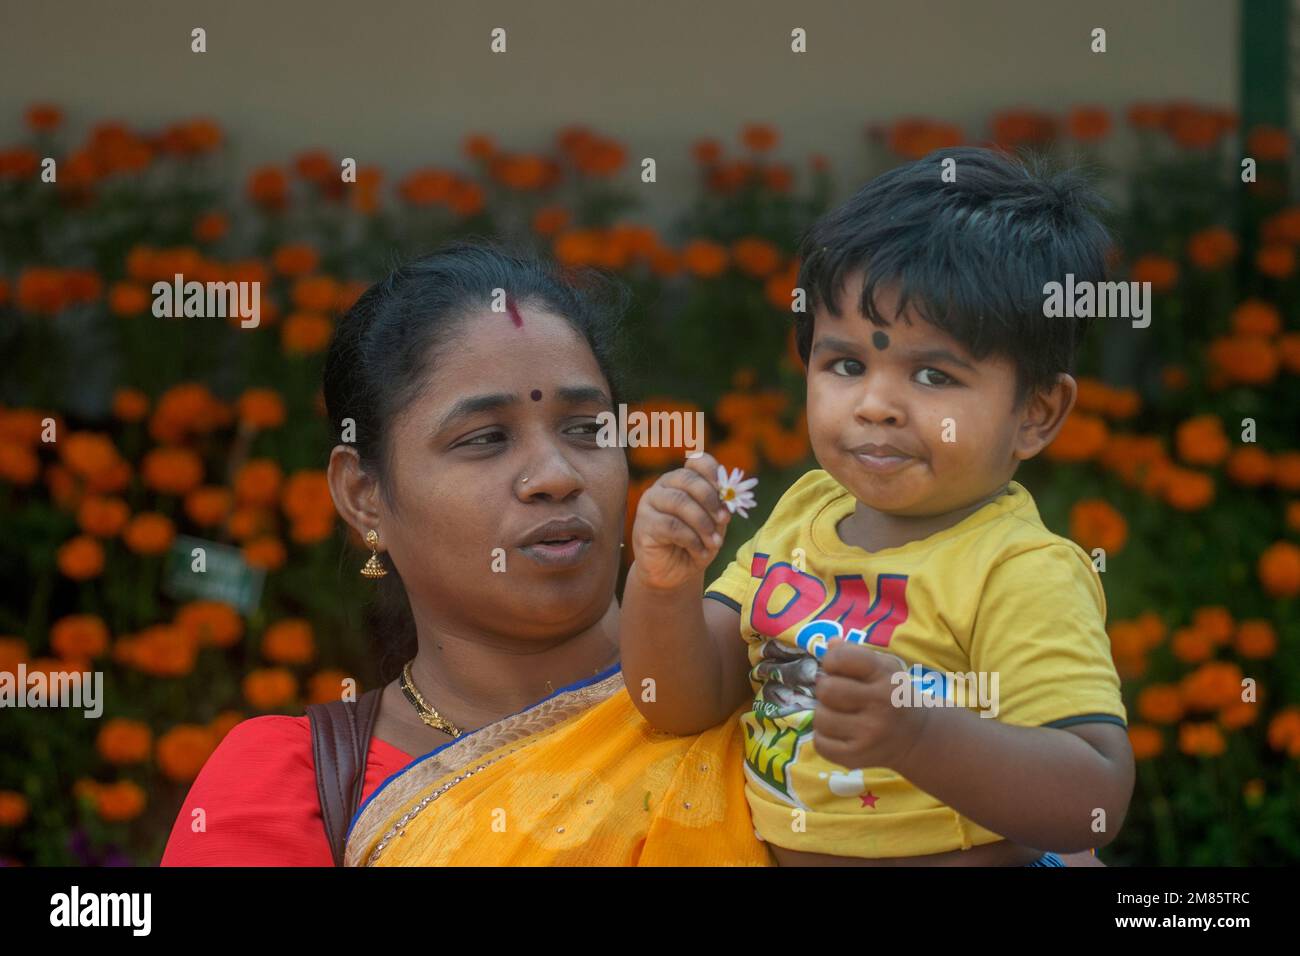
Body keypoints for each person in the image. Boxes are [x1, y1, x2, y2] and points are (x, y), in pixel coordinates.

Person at [161, 239, 769, 867]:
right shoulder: (286, 789)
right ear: (363, 494)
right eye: (485, 439)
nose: (556, 475)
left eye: (587, 430)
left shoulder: (774, 687)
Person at [619, 147, 1134, 867]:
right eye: (848, 364)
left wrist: (921, 736)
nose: (875, 406)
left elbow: (1095, 797)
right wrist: (663, 584)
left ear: (1037, 412)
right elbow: (682, 702)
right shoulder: (805, 512)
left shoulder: (1018, 571)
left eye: (933, 374)